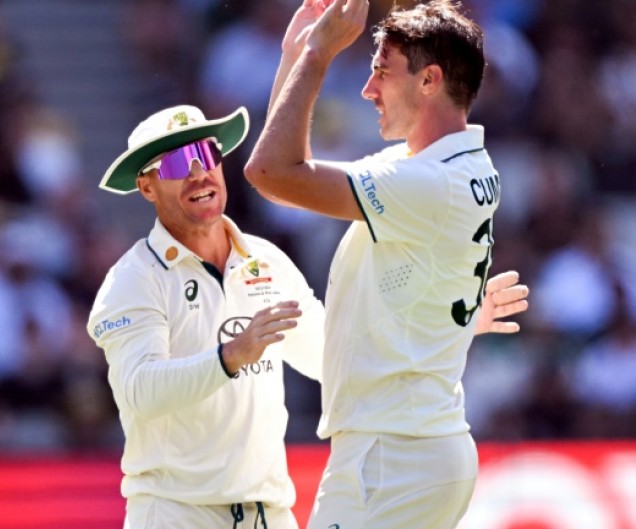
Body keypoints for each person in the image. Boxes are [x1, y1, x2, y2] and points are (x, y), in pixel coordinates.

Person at [88, 102, 527, 528]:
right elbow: (138, 392)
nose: (198, 171)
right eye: (175, 163)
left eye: (205, 154)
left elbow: (335, 357)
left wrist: (448, 320)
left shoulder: (266, 261)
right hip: (175, 514)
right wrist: (230, 356)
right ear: (146, 187)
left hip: (269, 513)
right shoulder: (133, 279)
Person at [244, 1, 527, 528]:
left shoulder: (427, 182)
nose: (367, 89)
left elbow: (270, 171)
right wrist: (293, 55)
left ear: (430, 81)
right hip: (410, 449)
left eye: (381, 71)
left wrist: (317, 55)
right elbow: (285, 179)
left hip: (393, 457)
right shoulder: (434, 163)